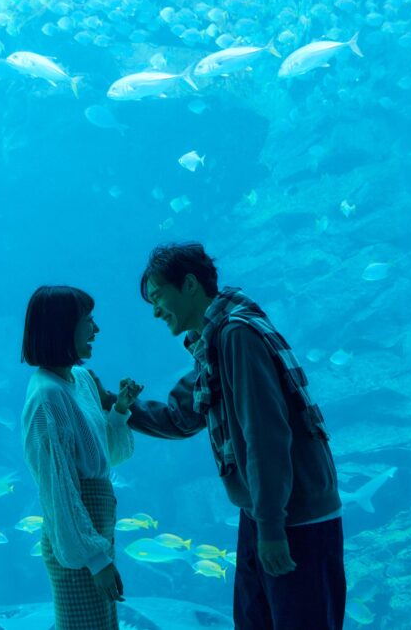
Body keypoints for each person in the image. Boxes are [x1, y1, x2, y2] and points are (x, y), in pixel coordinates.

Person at [95, 243, 345, 630]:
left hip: (294, 519)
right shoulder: (215, 342)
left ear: (190, 284)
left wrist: (272, 527)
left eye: (159, 297)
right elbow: (181, 417)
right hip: (265, 513)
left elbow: (266, 436)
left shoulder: (236, 337)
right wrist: (115, 405)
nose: (157, 311)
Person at [20, 285, 139, 630]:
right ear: (61, 328)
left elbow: (105, 459)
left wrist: (118, 411)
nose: (96, 329)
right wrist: (96, 559)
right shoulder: (46, 397)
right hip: (78, 548)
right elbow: (59, 490)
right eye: (88, 321)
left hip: (95, 538)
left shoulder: (81, 379)